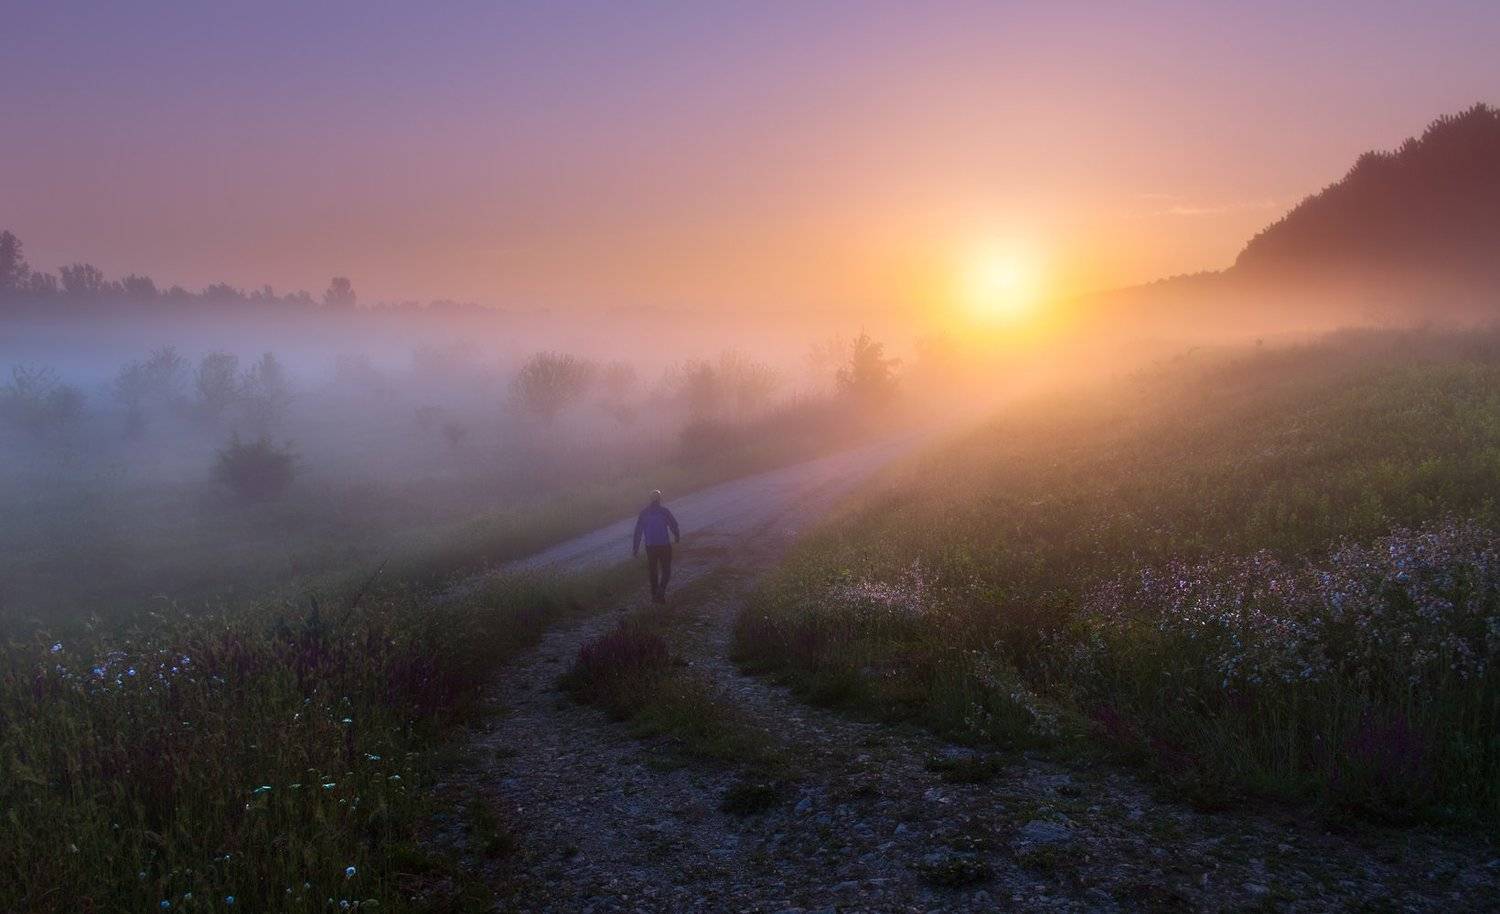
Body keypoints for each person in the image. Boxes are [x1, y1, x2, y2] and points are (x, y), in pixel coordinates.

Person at [632, 489, 680, 602]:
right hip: (664, 545)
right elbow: (674, 525)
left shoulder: (644, 513)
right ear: (660, 499)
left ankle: (654, 595)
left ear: (650, 499)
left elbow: (638, 532)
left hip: (650, 546)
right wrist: (677, 536)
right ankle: (661, 590)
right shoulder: (664, 511)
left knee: (653, 571)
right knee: (666, 570)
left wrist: (635, 548)